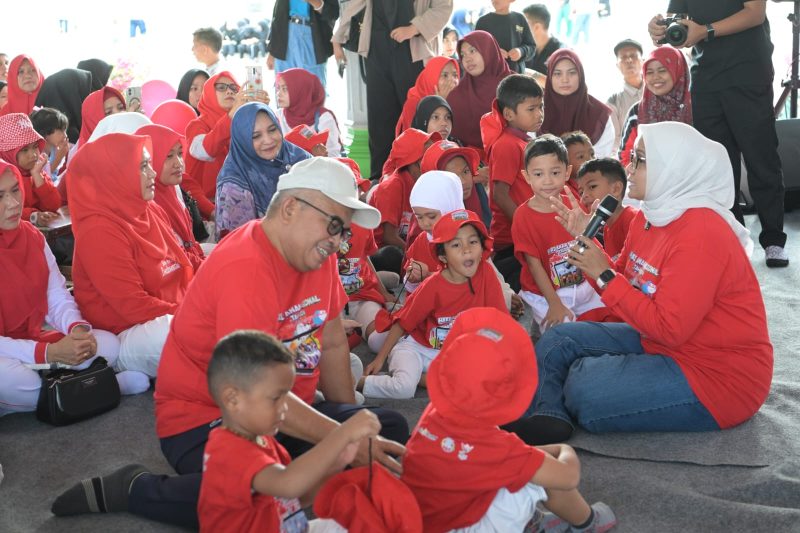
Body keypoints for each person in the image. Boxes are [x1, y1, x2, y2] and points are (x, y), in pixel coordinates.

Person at [51, 157, 409, 529]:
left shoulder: (319, 257)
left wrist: (349, 427)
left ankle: (297, 477)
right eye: (334, 225)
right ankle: (137, 490)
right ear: (290, 208)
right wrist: (341, 440)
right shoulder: (246, 266)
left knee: (385, 429)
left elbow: (333, 343)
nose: (337, 242)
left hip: (281, 411)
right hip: (212, 421)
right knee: (261, 493)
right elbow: (255, 390)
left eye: (344, 232)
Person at [527, 121, 773, 444]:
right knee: (558, 340)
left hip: (717, 376)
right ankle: (545, 415)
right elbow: (622, 278)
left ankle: (557, 400)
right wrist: (588, 244)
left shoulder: (702, 234)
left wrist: (604, 274)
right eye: (632, 156)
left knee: (583, 386)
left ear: (672, 167)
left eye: (640, 160)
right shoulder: (650, 215)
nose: (628, 166)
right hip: (658, 340)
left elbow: (669, 328)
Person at [401, 307, 617, 533]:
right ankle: (587, 523)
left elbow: (476, 458)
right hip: (463, 526)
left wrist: (531, 454)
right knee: (539, 477)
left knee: (523, 466)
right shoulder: (496, 447)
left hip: (421, 519)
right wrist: (564, 450)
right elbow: (567, 477)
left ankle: (527, 518)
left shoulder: (433, 413)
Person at [0, 161, 149, 417]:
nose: (13, 203)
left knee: (107, 344)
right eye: (0, 196)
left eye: (15, 190)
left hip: (31, 341)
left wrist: (76, 330)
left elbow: (56, 295)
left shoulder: (32, 237)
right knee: (8, 379)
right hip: (11, 353)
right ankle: (104, 385)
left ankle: (63, 392)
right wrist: (48, 352)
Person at [648, 2, 788, 267]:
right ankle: (734, 239)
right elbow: (677, 21)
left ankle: (773, 240)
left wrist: (706, 31)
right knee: (718, 166)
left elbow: (755, 13)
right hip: (705, 78)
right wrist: (660, 30)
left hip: (748, 71)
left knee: (761, 158)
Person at [199, 330, 374, 532]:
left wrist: (338, 463)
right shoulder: (228, 450)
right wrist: (342, 433)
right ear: (232, 399)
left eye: (286, 396)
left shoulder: (263, 440)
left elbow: (296, 498)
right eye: (276, 398)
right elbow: (288, 484)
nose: (284, 408)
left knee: (358, 522)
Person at [67, 133, 193, 378]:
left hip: (169, 311)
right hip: (125, 332)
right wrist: (191, 312)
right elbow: (132, 306)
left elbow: (182, 264)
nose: (153, 173)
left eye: (149, 164)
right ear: (114, 174)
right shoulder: (98, 230)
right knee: (185, 332)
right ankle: (118, 369)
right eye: (143, 166)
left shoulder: (148, 209)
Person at [359, 209, 507, 399]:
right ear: (443, 257)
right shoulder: (432, 285)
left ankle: (421, 378)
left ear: (482, 247)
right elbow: (403, 323)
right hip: (416, 348)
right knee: (403, 389)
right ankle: (357, 381)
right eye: (456, 244)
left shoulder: (486, 272)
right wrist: (379, 360)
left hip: (451, 354)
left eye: (473, 241)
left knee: (484, 377)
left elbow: (499, 320)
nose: (467, 250)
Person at [333, 0, 453, 180]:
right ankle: (380, 181)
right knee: (379, 120)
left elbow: (443, 7)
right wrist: (338, 38)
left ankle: (420, 179)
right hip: (377, 49)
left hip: (413, 51)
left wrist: (414, 28)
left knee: (415, 119)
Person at [512, 134, 604, 335]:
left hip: (580, 284)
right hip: (544, 294)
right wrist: (554, 303)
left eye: (555, 172)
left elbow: (587, 245)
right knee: (565, 332)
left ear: (567, 172)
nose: (547, 181)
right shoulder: (523, 216)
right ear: (527, 176)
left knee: (609, 317)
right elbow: (534, 265)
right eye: (538, 174)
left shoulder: (573, 203)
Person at [480, 73, 544, 293]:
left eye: (541, 107)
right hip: (513, 239)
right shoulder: (506, 144)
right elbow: (500, 194)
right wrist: (525, 227)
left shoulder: (522, 140)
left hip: (528, 233)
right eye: (531, 109)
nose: (539, 114)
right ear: (508, 114)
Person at [215, 102, 310, 239]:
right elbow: (240, 242)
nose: (268, 140)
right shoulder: (233, 185)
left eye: (272, 130)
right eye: (255, 136)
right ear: (243, 140)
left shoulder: (298, 157)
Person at [136, 124, 206, 270]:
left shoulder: (172, 190)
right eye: (168, 156)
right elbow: (177, 259)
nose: (178, 163)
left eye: (180, 154)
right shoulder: (148, 203)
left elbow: (190, 244)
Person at [184, 71, 249, 219]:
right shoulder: (196, 125)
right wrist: (230, 116)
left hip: (242, 204)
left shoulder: (243, 122)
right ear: (208, 93)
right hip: (206, 211)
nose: (229, 91)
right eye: (221, 87)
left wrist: (261, 109)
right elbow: (206, 151)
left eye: (234, 88)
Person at [618, 46, 691, 167]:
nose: (655, 77)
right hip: (648, 177)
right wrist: (639, 172)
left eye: (662, 70)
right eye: (649, 72)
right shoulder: (637, 112)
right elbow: (625, 155)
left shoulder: (697, 108)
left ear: (678, 70)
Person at [368, 128, 440, 251]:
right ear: (413, 160)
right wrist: (416, 254)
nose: (435, 160)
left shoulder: (426, 183)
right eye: (429, 155)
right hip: (383, 251)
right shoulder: (391, 187)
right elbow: (389, 237)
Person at [447, 30, 513, 153]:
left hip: (506, 155)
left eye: (472, 51)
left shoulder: (513, 86)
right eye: (463, 55)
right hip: (464, 160)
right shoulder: (456, 95)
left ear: (488, 51)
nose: (467, 59)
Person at [541, 49, 614, 157]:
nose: (565, 80)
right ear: (550, 77)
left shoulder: (599, 114)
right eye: (557, 73)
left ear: (581, 75)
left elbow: (600, 159)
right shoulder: (535, 109)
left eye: (572, 73)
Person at [401, 170, 465, 293]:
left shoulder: (468, 240)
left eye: (431, 216)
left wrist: (428, 275)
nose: (425, 223)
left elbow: (467, 285)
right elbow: (410, 288)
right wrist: (412, 278)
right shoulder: (422, 240)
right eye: (419, 217)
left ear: (449, 208)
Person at [0, 113, 61, 225]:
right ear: (7, 153)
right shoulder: (3, 179)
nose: (33, 155)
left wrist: (37, 176)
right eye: (25, 150)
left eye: (35, 147)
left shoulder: (36, 171)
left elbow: (54, 205)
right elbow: (6, 211)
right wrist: (33, 215)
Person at [574, 157, 637, 260]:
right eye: (581, 192)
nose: (584, 196)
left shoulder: (632, 220)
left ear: (616, 189)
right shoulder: (606, 228)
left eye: (592, 187)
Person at [266, 0, 339, 89]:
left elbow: (333, 13)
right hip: (283, 39)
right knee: (284, 89)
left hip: (312, 36)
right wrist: (272, 50)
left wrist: (314, 2)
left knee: (313, 90)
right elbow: (277, 13)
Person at [274, 68, 342, 157]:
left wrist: (321, 155)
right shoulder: (278, 116)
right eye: (278, 88)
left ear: (301, 90)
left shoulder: (323, 118)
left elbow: (334, 155)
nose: (278, 94)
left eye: (285, 89)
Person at [395, 56, 460, 136]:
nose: (452, 80)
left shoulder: (459, 100)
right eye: (445, 75)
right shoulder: (414, 103)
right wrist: (439, 103)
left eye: (455, 75)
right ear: (431, 77)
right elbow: (415, 138)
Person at [34, 69, 93, 145]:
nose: (88, 95)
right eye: (81, 90)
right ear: (72, 94)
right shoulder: (70, 138)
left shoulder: (38, 131)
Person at [606, 39, 644, 155]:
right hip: (631, 158)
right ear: (617, 65)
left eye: (633, 56)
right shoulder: (613, 101)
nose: (629, 60)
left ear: (643, 61)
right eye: (623, 57)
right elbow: (615, 139)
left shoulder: (656, 90)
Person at [476, 0, 536, 74]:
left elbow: (531, 46)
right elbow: (475, 49)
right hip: (492, 75)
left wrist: (521, 51)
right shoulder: (482, 22)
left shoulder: (520, 19)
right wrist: (493, 52)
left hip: (516, 75)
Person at [523, 4, 564, 76]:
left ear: (537, 27)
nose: (519, 28)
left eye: (523, 24)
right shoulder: (524, 47)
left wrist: (529, 73)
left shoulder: (560, 51)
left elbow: (560, 81)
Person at [29, 107, 70, 176]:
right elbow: (43, 177)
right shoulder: (37, 154)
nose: (65, 135)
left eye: (65, 131)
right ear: (45, 133)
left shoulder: (55, 149)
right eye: (61, 131)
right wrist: (58, 159)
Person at [561, 130, 594, 197]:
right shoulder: (564, 190)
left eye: (592, 154)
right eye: (581, 156)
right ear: (566, 164)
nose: (590, 160)